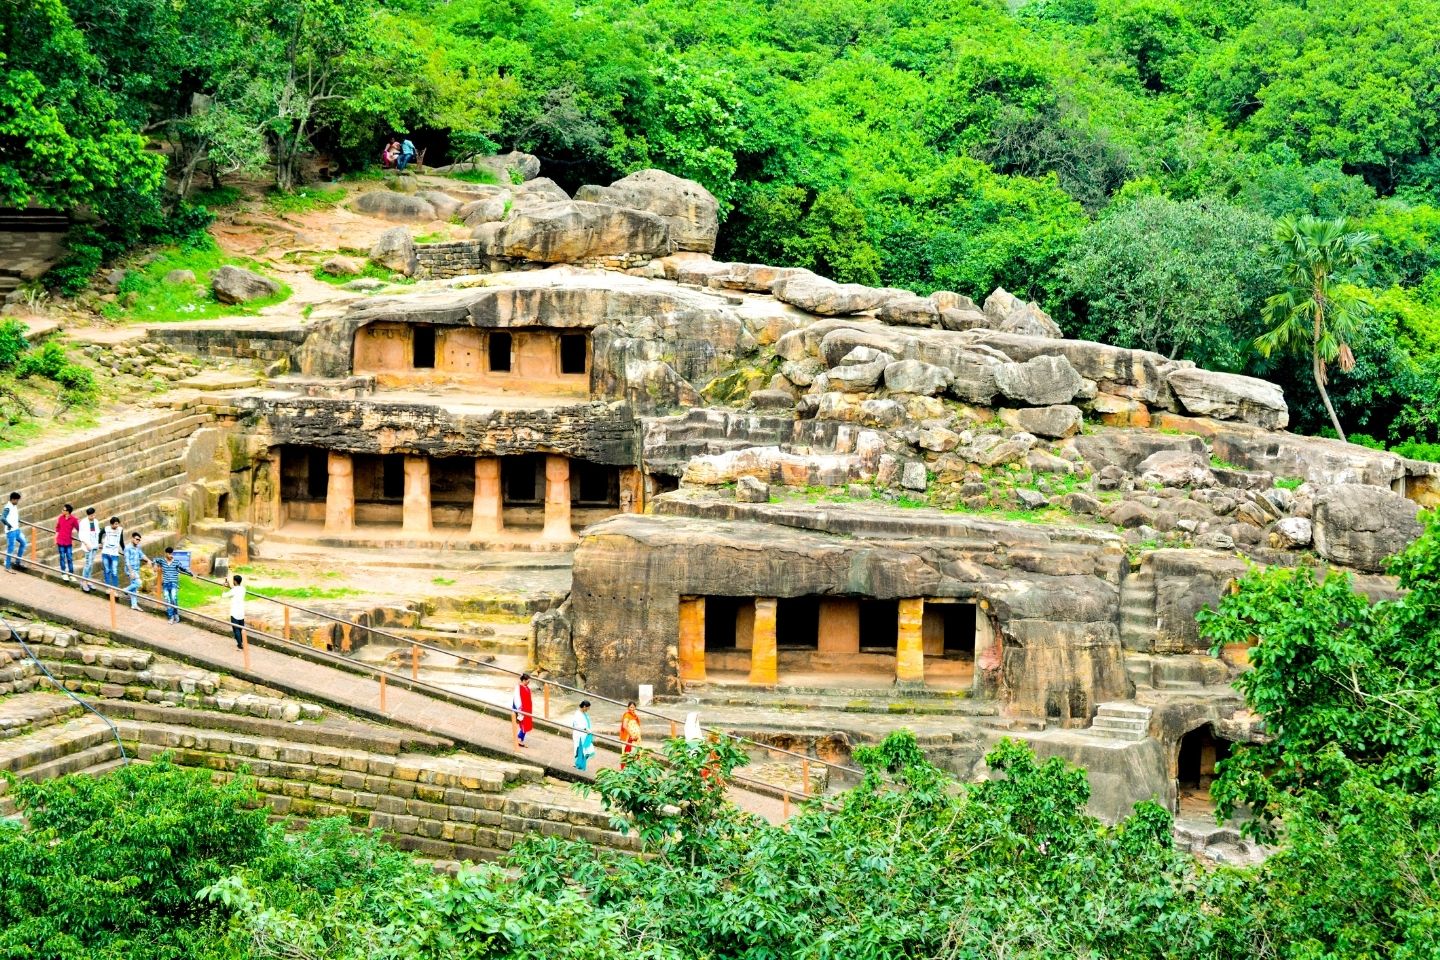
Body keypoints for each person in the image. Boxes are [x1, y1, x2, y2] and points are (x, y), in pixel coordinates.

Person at [151, 547, 189, 624]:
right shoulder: (162, 561)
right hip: (165, 584)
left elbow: (183, 569)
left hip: (173, 583)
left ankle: (176, 614)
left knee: (174, 598)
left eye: (171, 553)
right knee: (168, 600)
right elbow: (154, 560)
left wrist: (191, 573)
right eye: (169, 553)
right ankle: (171, 616)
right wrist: (155, 565)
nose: (170, 555)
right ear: (166, 553)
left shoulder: (176, 562)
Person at [77, 507, 101, 592]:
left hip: (94, 545)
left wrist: (98, 543)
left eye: (93, 515)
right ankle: (84, 581)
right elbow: (81, 535)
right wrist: (86, 544)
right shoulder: (83, 522)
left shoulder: (96, 521)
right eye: (91, 515)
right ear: (88, 515)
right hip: (87, 545)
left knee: (91, 563)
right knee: (88, 564)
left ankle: (89, 580)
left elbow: (97, 533)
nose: (93, 516)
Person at [54, 504, 79, 582]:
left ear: (68, 511)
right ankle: (63, 573)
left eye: (63, 510)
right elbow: (57, 528)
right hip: (60, 541)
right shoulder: (60, 518)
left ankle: (71, 574)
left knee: (69, 558)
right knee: (62, 557)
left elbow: (78, 528)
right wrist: (55, 538)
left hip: (68, 542)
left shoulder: (73, 519)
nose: (62, 511)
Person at [3, 492, 25, 573]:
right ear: (12, 499)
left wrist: (17, 520)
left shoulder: (14, 506)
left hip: (17, 530)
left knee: (23, 543)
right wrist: (8, 525)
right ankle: (7, 566)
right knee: (11, 548)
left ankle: (17, 562)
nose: (17, 502)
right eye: (17, 500)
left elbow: (13, 515)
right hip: (11, 531)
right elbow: (2, 518)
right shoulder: (8, 507)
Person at [99, 516, 124, 588]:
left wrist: (124, 549)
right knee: (107, 570)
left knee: (114, 571)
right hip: (106, 553)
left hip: (114, 554)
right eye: (115, 524)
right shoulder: (107, 529)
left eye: (118, 524)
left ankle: (115, 588)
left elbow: (121, 540)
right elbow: (100, 533)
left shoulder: (120, 529)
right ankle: (107, 587)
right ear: (111, 524)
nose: (117, 525)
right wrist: (99, 543)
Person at [123, 532, 145, 610]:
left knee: (134, 588)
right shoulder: (128, 548)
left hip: (136, 569)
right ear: (132, 538)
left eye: (139, 540)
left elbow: (141, 555)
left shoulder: (138, 547)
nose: (138, 541)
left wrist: (148, 560)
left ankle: (134, 604)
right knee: (139, 583)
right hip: (131, 570)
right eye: (136, 539)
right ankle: (126, 590)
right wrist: (131, 572)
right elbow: (127, 561)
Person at [223, 574, 246, 649]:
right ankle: (241, 642)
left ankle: (240, 644)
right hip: (241, 612)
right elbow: (234, 591)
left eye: (233, 580)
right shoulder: (243, 589)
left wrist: (223, 587)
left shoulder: (234, 590)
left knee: (236, 629)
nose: (232, 581)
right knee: (240, 629)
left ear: (235, 581)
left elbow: (224, 595)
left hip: (234, 612)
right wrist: (229, 586)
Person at [512, 672, 534, 748]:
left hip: (527, 709)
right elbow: (516, 699)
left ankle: (520, 739)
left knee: (526, 724)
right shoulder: (518, 687)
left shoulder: (526, 687)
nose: (528, 683)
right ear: (524, 680)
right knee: (524, 725)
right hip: (523, 709)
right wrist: (519, 710)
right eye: (528, 681)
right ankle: (519, 739)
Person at [571, 700, 594, 771]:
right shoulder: (578, 714)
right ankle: (579, 765)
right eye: (588, 708)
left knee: (586, 751)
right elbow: (578, 724)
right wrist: (585, 729)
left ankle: (581, 765)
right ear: (584, 707)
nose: (588, 710)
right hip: (580, 736)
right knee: (581, 750)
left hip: (585, 735)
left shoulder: (584, 714)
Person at [619, 700, 641, 767]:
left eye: (634, 707)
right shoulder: (627, 715)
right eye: (631, 707)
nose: (632, 709)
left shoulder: (635, 716)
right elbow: (624, 726)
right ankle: (628, 767)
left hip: (636, 738)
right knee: (630, 751)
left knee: (636, 751)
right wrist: (631, 735)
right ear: (628, 708)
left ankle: (635, 766)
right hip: (629, 737)